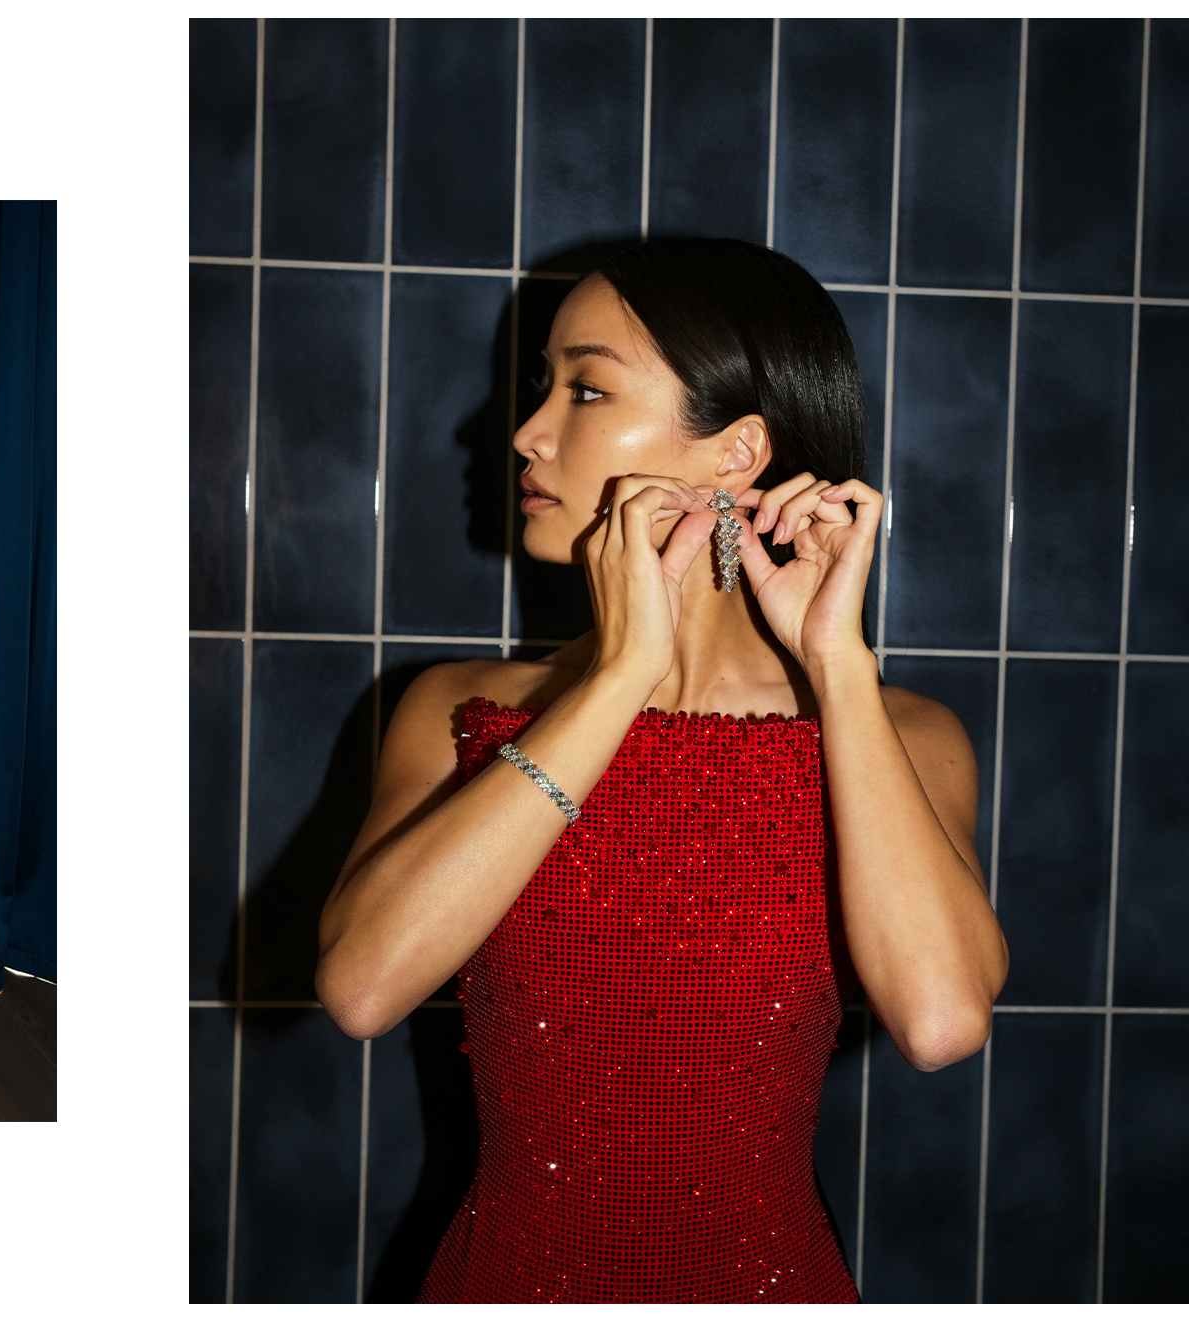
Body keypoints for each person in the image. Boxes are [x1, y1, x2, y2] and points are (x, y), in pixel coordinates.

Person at [315, 238, 1007, 1303]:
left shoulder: (897, 731)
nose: (525, 432)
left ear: (736, 452)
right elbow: (361, 987)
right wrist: (617, 676)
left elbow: (938, 1017)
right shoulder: (453, 709)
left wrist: (837, 665)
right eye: (544, 383)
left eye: (583, 387)